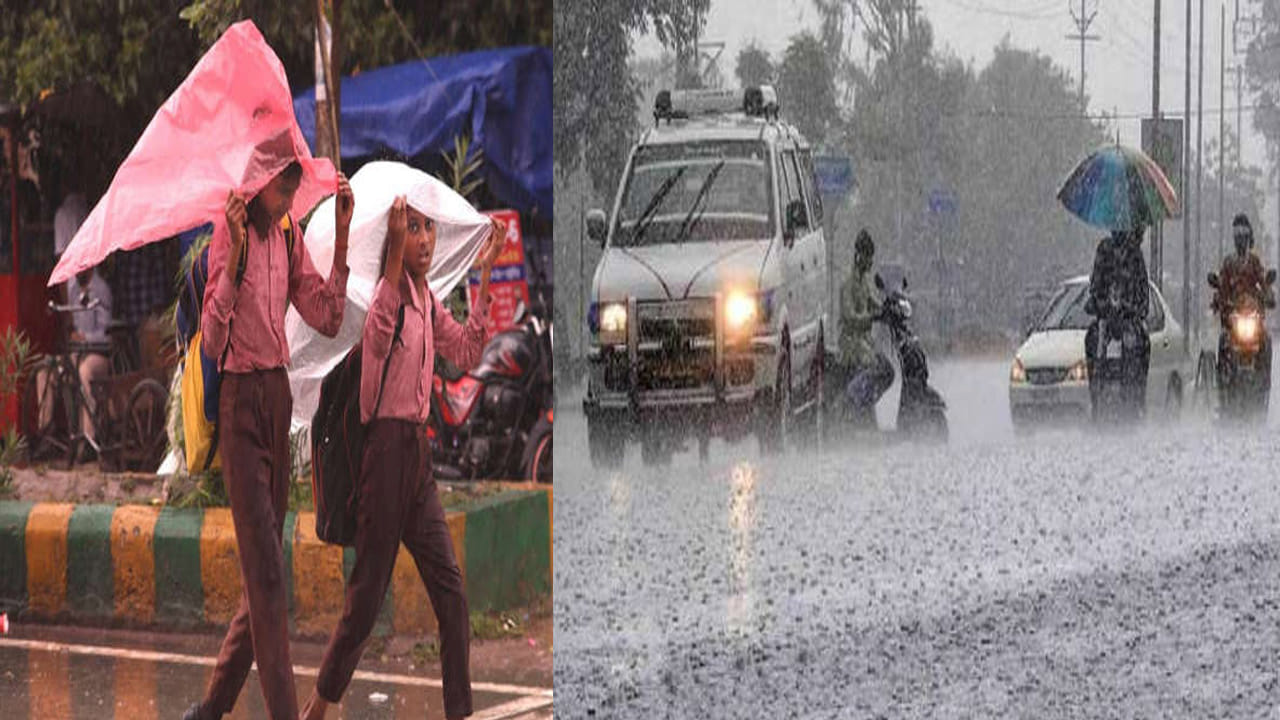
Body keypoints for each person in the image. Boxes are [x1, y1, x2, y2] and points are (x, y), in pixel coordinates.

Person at [300, 197, 505, 720]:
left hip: (417, 458)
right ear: (394, 240)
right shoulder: (385, 302)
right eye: (413, 229)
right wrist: (392, 257)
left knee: (451, 591)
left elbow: (466, 351)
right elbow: (373, 359)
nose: (426, 240)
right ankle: (318, 704)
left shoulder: (426, 301)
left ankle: (459, 711)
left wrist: (484, 274)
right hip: (384, 457)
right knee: (367, 596)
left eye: (428, 228)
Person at [183, 164, 353, 720]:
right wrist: (233, 259)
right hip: (240, 407)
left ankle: (211, 709)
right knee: (269, 577)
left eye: (293, 191)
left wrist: (342, 236)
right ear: (258, 183)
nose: (288, 201)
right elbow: (212, 341)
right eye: (282, 190)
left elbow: (327, 316)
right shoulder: (228, 235)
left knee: (264, 573)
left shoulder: (288, 235)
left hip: (276, 398)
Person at [1084, 226, 1150, 418]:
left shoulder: (1134, 254)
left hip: (1128, 320)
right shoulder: (1104, 250)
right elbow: (1095, 287)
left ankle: (1138, 398)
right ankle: (1095, 397)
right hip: (1105, 320)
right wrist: (1101, 305)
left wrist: (1132, 309)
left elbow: (1143, 292)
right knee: (1091, 339)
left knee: (1143, 343)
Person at [838, 229, 894, 427]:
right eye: (868, 257)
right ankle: (851, 401)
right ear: (859, 256)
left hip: (865, 342)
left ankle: (865, 405)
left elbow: (873, 302)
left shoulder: (865, 282)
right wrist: (871, 318)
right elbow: (850, 317)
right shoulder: (848, 283)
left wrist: (889, 309)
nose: (871, 262)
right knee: (876, 367)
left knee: (888, 370)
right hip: (851, 342)